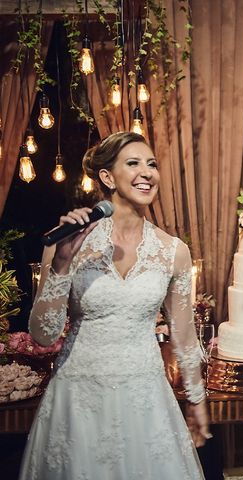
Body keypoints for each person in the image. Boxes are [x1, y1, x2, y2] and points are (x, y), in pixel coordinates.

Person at [20, 132, 210, 480]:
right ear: (107, 178)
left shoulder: (173, 251)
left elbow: (184, 336)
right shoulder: (65, 242)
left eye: (152, 164)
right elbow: (43, 336)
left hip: (145, 399)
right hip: (78, 400)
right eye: (134, 163)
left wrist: (197, 400)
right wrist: (62, 263)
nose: (147, 172)